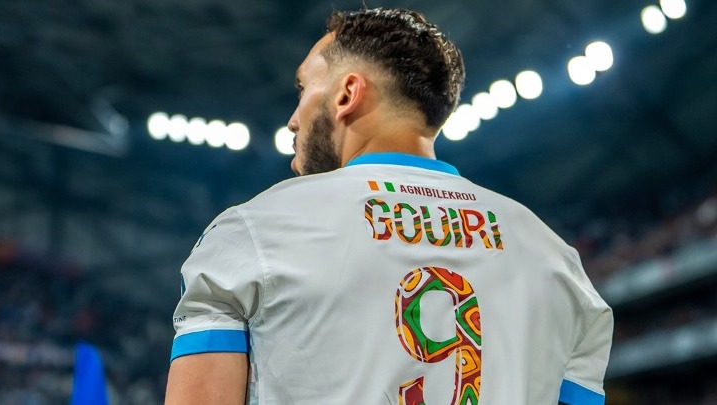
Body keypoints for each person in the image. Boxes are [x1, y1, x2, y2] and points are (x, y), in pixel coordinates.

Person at [165, 7, 613, 405]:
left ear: (347, 94)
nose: (293, 119)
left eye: (302, 89)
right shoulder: (555, 260)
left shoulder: (252, 232)